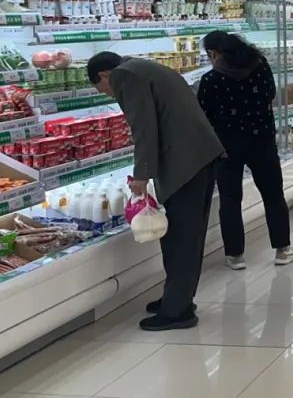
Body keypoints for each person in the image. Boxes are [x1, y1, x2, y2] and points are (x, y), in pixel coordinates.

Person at [88, 52, 224, 332]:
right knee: (188, 235)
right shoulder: (143, 67)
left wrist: (141, 174)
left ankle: (178, 312)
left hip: (184, 162)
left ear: (104, 75)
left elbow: (144, 127)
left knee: (181, 238)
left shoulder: (124, 76)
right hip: (198, 155)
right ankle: (177, 298)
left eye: (103, 90)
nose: (108, 94)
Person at [197, 31, 293, 271]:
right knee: (273, 195)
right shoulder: (259, 66)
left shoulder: (211, 79)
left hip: (226, 146)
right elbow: (271, 94)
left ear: (214, 53)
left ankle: (235, 255)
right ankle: (283, 249)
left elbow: (203, 112)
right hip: (261, 140)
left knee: (230, 200)